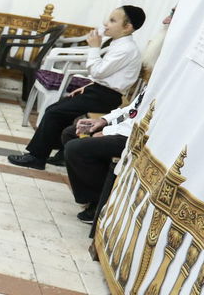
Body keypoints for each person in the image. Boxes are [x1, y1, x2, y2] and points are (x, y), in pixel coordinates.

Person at [8, 4, 145, 170]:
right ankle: (62, 155)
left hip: (105, 97)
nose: (106, 24)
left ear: (127, 27)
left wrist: (95, 48)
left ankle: (37, 157)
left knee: (53, 112)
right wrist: (87, 86)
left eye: (112, 20)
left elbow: (98, 71)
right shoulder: (119, 44)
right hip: (99, 91)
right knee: (62, 111)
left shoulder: (126, 49)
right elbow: (104, 76)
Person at [62, 89, 145, 225]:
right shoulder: (155, 82)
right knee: (70, 133)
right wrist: (103, 121)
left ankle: (98, 203)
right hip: (122, 130)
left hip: (134, 139)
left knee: (75, 149)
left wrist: (107, 131)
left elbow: (141, 124)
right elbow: (130, 111)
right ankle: (93, 197)